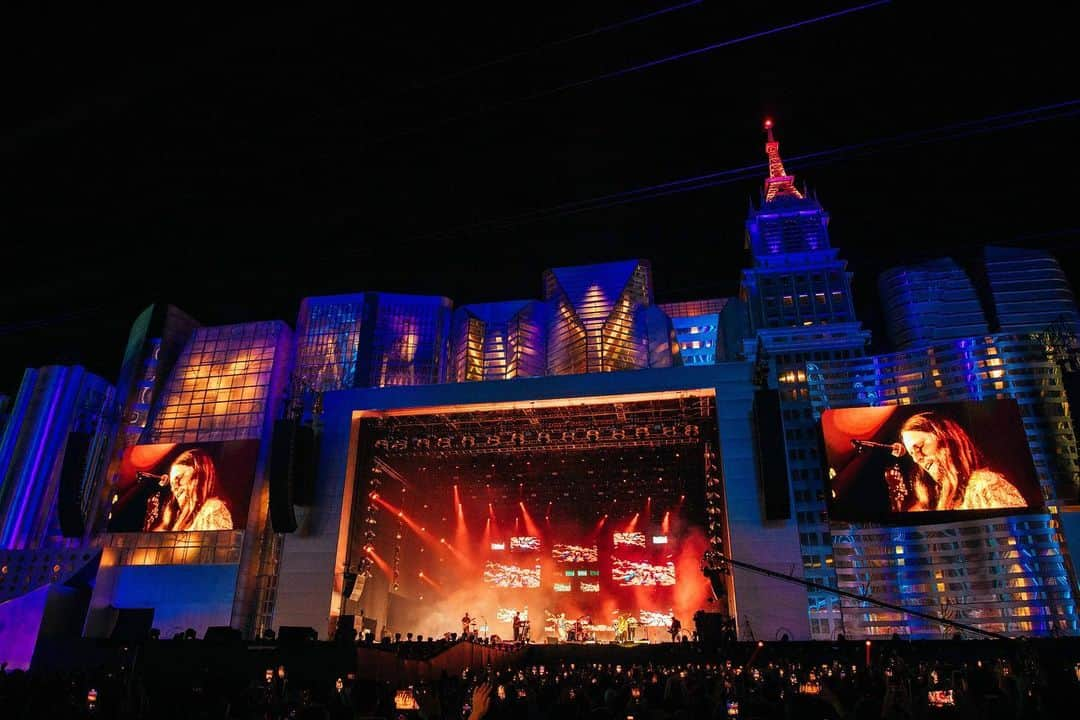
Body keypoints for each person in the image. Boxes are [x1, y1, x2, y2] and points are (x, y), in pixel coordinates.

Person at [898, 411, 1027, 511]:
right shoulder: (939, 497)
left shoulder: (985, 484)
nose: (917, 458)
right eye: (912, 454)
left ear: (946, 437)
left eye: (920, 447)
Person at [145, 448, 233, 531]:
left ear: (200, 475)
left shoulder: (213, 508)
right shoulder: (180, 518)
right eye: (172, 484)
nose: (174, 488)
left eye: (179, 478)